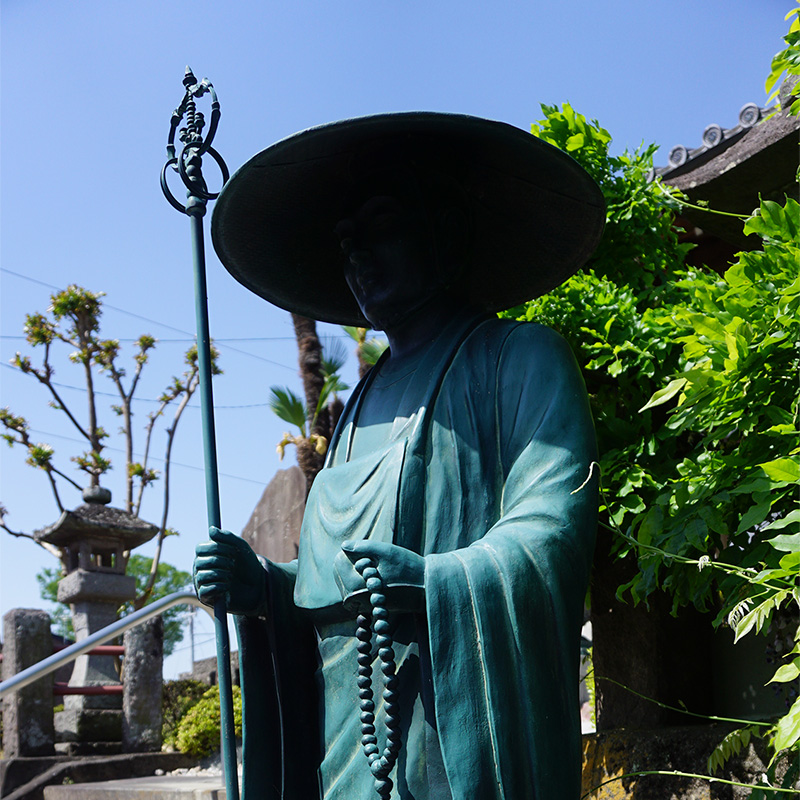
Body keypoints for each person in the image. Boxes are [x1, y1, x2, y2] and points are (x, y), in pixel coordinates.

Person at [194, 112, 604, 800]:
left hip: (447, 738)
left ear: (445, 230)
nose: (355, 255)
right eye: (345, 240)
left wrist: (433, 583)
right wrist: (265, 587)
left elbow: (548, 536)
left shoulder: (519, 360)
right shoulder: (357, 403)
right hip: (345, 742)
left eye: (380, 225)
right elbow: (331, 586)